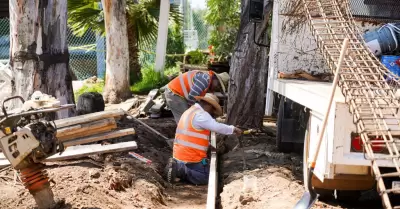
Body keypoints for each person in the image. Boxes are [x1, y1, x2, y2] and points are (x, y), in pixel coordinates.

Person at [163, 93, 242, 185]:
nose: (212, 113)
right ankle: (181, 170)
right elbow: (216, 126)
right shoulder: (201, 115)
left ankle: (178, 166)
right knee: (206, 178)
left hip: (179, 155)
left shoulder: (190, 111)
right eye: (212, 109)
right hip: (191, 158)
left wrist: (207, 146)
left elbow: (191, 136)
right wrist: (233, 129)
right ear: (208, 105)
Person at [164, 70, 229, 123]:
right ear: (216, 80)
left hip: (177, 94)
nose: (216, 88)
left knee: (188, 119)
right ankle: (183, 137)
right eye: (218, 86)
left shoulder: (206, 79)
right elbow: (192, 97)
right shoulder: (204, 80)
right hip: (174, 93)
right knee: (185, 121)